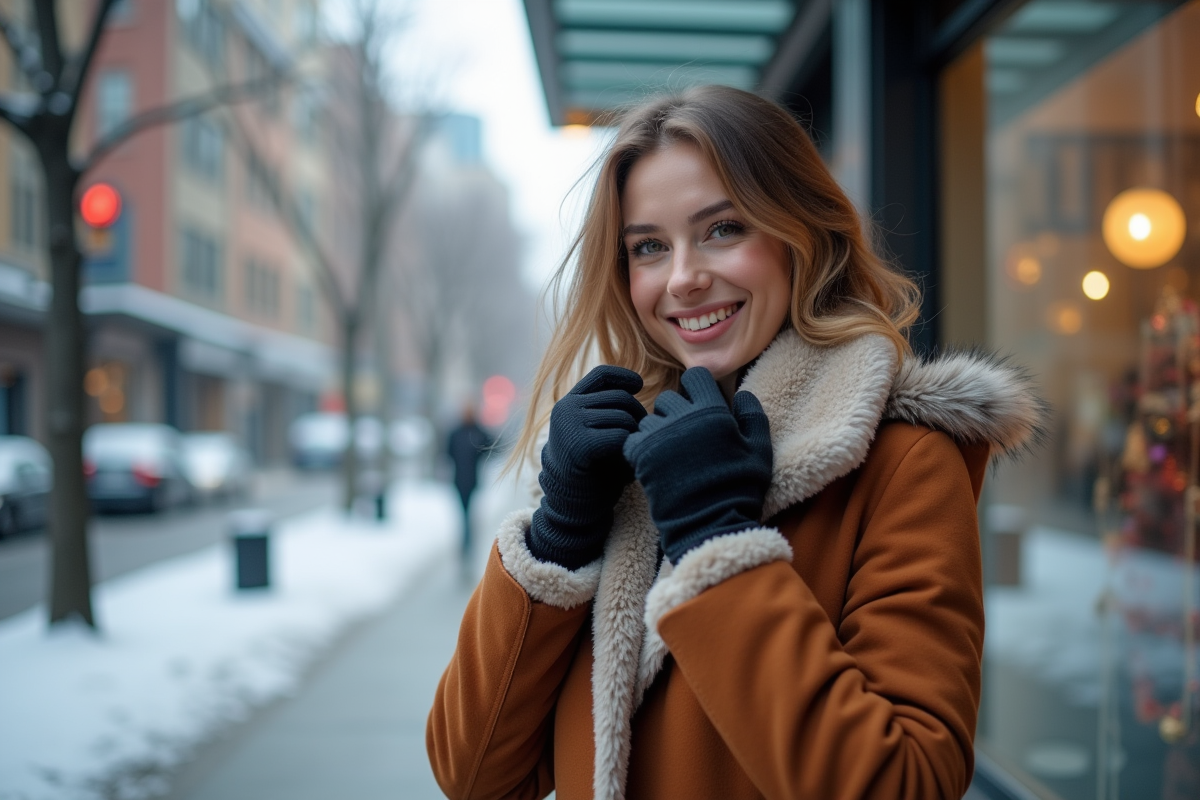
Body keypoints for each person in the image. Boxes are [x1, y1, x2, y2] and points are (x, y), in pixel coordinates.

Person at [426, 85, 1046, 800]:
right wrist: (559, 533)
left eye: (723, 229)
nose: (683, 278)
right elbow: (472, 776)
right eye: (649, 247)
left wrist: (719, 541)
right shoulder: (620, 462)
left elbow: (903, 783)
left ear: (799, 235)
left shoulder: (902, 458)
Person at [445, 405, 492, 561]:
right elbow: (448, 453)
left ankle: (468, 541)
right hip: (459, 480)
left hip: (471, 480)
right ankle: (466, 541)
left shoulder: (477, 432)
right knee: (464, 512)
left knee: (468, 512)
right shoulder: (457, 433)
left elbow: (490, 445)